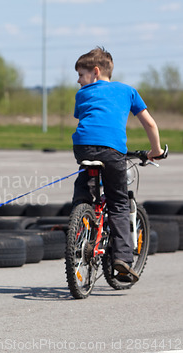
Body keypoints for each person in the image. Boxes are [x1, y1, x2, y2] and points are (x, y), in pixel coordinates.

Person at [72, 47, 165, 283]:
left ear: (95, 72)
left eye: (81, 75)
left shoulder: (82, 94)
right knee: (118, 202)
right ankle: (122, 258)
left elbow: (90, 119)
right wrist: (155, 151)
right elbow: (150, 125)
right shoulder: (128, 91)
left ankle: (80, 226)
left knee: (85, 188)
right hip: (112, 151)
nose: (79, 80)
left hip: (83, 147)